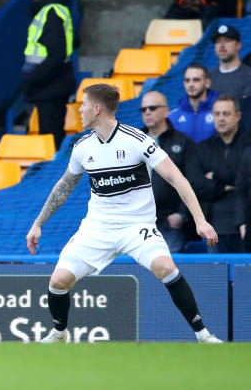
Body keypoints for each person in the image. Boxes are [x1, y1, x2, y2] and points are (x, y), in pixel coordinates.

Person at [25, 83, 222, 344]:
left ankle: (203, 335)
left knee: (166, 266)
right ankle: (59, 334)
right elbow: (64, 186)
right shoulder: (82, 147)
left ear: (96, 109)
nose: (79, 110)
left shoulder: (137, 140)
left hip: (136, 226)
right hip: (97, 228)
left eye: (82, 105)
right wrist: (38, 223)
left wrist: (200, 220)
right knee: (59, 281)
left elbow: (177, 178)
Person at [22, 0, 75, 148]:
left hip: (51, 87)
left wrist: (32, 79)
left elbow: (57, 54)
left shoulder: (51, 12)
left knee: (51, 145)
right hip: (49, 87)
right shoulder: (48, 10)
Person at [140, 91, 197, 254]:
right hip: (139, 223)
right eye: (143, 110)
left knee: (169, 274)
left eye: (152, 108)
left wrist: (182, 214)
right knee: (140, 274)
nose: (147, 112)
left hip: (170, 222)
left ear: (166, 111)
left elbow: (193, 180)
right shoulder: (133, 142)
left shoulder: (183, 142)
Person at [191, 95, 250, 253]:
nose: (221, 118)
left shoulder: (249, 143)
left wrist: (215, 175)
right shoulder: (203, 148)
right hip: (214, 228)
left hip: (245, 224)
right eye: (217, 114)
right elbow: (196, 184)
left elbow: (244, 180)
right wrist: (226, 186)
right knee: (216, 276)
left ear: (238, 116)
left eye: (226, 113)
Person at [169, 63, 218, 142]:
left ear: (207, 83)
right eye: (187, 80)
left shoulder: (220, 113)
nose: (191, 84)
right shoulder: (173, 117)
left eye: (196, 80)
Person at [209, 24, 251, 100]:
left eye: (227, 40)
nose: (222, 45)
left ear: (238, 45)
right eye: (218, 41)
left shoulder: (248, 75)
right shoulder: (208, 77)